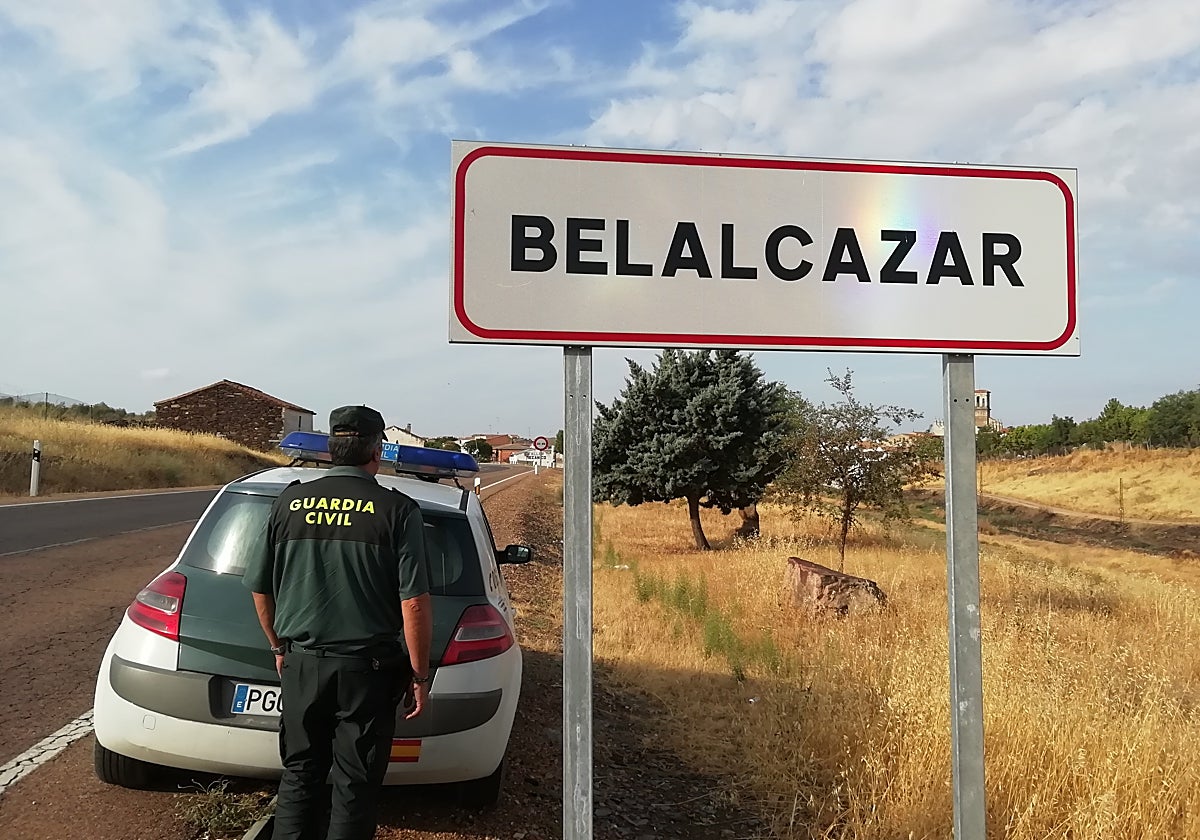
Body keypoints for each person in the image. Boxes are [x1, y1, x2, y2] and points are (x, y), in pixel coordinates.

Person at [244, 405, 432, 840]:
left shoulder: (288, 501)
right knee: (354, 783)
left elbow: (259, 588)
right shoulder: (397, 509)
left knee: (299, 775)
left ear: (332, 448)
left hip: (302, 663)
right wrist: (420, 675)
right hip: (367, 672)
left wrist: (278, 646)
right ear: (376, 450)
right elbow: (416, 604)